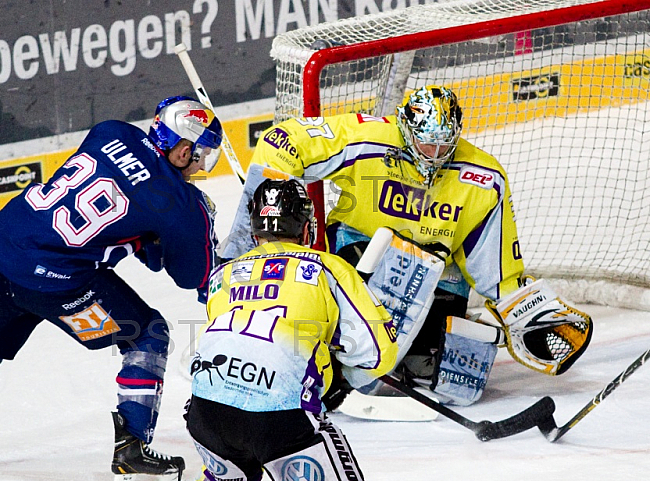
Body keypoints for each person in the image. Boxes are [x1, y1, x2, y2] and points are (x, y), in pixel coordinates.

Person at [0, 95, 224, 481]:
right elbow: (191, 275)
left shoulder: (110, 131)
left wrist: (153, 239)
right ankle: (133, 454)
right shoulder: (179, 203)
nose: (200, 167)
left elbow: (122, 205)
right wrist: (200, 223)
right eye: (201, 157)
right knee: (146, 334)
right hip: (57, 282)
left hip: (2, 250)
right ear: (183, 150)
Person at [221, 85, 592, 407]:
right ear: (404, 127)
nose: (433, 153)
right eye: (425, 141)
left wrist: (519, 307)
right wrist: (248, 239)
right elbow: (280, 143)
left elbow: (493, 261)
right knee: (353, 355)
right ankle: (327, 364)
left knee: (447, 379)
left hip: (434, 275)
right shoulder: (368, 138)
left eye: (444, 143)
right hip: (362, 258)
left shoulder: (483, 178)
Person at [163, 178, 398, 481]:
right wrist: (341, 381)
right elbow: (380, 353)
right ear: (306, 227)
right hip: (280, 415)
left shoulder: (222, 274)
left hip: (207, 410)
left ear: (255, 229)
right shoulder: (328, 268)